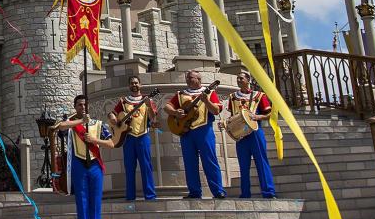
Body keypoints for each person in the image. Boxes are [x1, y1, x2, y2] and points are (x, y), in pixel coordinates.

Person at [53, 93, 118, 219]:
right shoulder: (72, 124)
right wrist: (81, 121)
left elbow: (111, 143)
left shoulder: (98, 124)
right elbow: (61, 127)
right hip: (78, 164)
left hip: (95, 165)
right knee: (81, 200)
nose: (83, 107)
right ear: (75, 107)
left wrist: (94, 140)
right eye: (79, 105)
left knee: (95, 200)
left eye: (85, 104)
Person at [164, 70, 225, 199]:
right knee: (189, 163)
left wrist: (206, 101)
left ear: (199, 79)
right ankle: (194, 192)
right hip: (186, 132)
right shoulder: (181, 94)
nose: (188, 80)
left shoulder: (210, 92)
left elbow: (216, 110)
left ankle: (218, 191)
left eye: (191, 77)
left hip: (204, 130)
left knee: (210, 160)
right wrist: (175, 113)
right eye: (187, 78)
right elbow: (167, 107)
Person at [229, 70, 276, 199]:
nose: (239, 81)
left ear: (248, 80)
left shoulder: (259, 95)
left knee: (261, 162)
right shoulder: (233, 97)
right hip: (241, 135)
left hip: (256, 132)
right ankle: (245, 193)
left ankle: (268, 192)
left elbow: (269, 114)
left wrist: (256, 116)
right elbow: (232, 116)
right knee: (243, 165)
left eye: (241, 78)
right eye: (238, 79)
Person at [110, 75, 157, 201]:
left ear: (140, 85)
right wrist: (113, 119)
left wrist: (148, 106)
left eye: (136, 83)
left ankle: (150, 196)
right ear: (129, 86)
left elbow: (153, 118)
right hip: (128, 138)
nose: (134, 85)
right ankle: (130, 196)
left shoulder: (148, 100)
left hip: (143, 136)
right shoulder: (123, 101)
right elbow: (112, 113)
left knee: (146, 166)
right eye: (132, 83)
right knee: (129, 167)